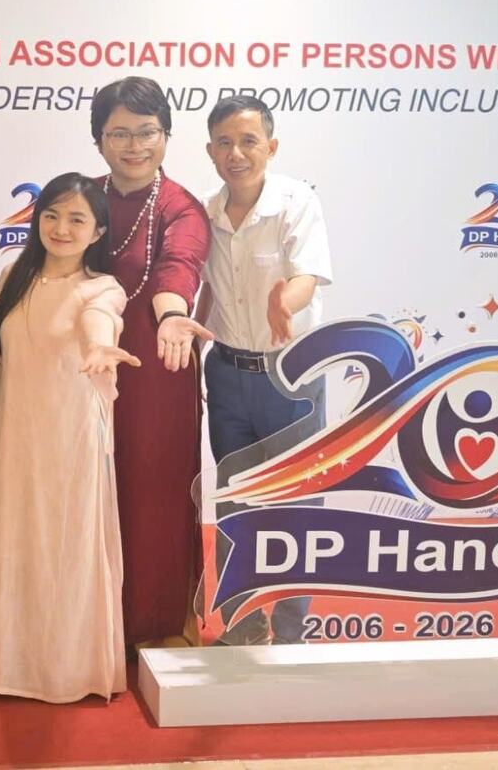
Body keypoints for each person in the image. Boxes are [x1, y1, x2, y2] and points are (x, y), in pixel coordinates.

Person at [0, 173, 139, 703]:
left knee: (69, 547)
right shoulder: (12, 278)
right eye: (51, 215)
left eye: (76, 219)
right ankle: (14, 666)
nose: (61, 228)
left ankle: (70, 670)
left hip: (70, 437)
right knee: (15, 545)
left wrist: (98, 348)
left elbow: (99, 321)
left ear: (98, 231)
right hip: (13, 434)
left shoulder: (102, 288)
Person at [198, 94, 333, 645]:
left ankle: (293, 629)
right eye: (224, 143)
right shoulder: (206, 212)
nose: (236, 153)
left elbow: (307, 276)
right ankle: (245, 624)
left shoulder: (296, 202)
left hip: (290, 377)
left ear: (270, 147)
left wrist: (285, 303)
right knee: (235, 503)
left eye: (248, 141)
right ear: (210, 151)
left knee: (296, 502)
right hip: (227, 374)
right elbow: (207, 289)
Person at [89, 77, 212, 647]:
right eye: (119, 133)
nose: (134, 146)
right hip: (84, 368)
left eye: (147, 132)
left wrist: (171, 316)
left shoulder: (180, 207)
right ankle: (85, 626)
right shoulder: (81, 199)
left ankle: (151, 627)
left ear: (166, 135)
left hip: (157, 366)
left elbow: (178, 267)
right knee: (86, 490)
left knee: (151, 496)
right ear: (99, 138)